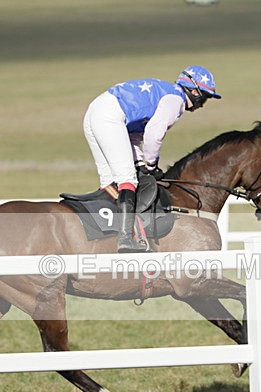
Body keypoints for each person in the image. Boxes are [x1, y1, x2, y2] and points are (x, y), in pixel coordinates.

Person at [82, 66, 221, 253]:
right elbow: (153, 135)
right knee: (127, 180)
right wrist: (151, 165)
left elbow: (133, 137)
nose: (203, 104)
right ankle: (125, 239)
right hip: (109, 115)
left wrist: (141, 162)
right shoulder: (176, 101)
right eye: (204, 97)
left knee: (109, 181)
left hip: (96, 111)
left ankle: (105, 235)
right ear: (194, 91)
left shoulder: (166, 93)